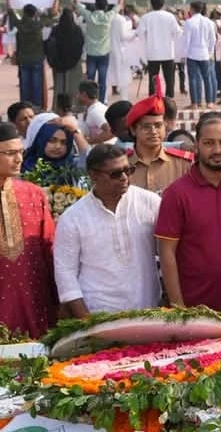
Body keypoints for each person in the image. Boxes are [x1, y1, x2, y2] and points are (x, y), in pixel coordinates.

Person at [54, 144, 161, 316]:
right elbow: (65, 273)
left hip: (148, 310)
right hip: (98, 314)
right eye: (116, 173)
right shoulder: (73, 218)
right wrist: (86, 323)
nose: (124, 177)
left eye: (128, 170)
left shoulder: (151, 203)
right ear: (93, 175)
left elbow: (168, 253)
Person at [155, 114, 221, 311]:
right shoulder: (177, 193)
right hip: (193, 306)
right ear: (196, 145)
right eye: (208, 143)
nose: (217, 150)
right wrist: (178, 306)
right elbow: (167, 252)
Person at [0, 122, 57, 338]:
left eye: (20, 152)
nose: (19, 159)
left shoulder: (33, 194)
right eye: (10, 153)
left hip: (33, 299)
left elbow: (49, 248)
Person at [126, 93, 194, 193]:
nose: (153, 131)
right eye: (146, 126)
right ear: (133, 130)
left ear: (165, 127)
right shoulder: (122, 164)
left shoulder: (184, 163)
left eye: (158, 125)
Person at [72, 0, 127, 98]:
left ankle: (89, 100)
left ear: (95, 6)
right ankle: (101, 101)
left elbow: (77, 3)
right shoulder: (108, 17)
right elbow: (119, 4)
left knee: (90, 80)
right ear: (106, 6)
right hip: (104, 53)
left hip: (91, 53)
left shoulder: (89, 16)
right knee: (102, 80)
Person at [6, 0, 59, 108]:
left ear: (24, 13)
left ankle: (25, 108)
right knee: (36, 87)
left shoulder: (19, 25)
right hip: (36, 60)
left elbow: (10, 12)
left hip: (23, 60)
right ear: (35, 14)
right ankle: (36, 109)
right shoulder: (38, 25)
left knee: (24, 87)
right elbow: (53, 13)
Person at [138, 0, 183, 99]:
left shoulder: (146, 17)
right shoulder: (170, 16)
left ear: (151, 4)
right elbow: (178, 32)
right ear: (163, 4)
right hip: (168, 53)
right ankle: (169, 101)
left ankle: (153, 102)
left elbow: (140, 33)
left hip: (152, 53)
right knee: (169, 80)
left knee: (153, 80)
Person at [46, 8, 85, 113]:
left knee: (59, 87)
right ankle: (74, 106)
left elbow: (49, 46)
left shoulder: (55, 30)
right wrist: (74, 59)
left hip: (58, 64)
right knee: (74, 86)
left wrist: (54, 61)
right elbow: (80, 45)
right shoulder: (77, 30)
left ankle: (58, 107)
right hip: (74, 63)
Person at [180, 1, 218, 111]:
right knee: (207, 78)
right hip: (205, 53)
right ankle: (209, 102)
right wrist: (210, 51)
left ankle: (195, 103)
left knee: (193, 78)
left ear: (192, 9)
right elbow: (213, 39)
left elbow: (186, 41)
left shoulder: (189, 22)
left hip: (192, 53)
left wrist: (184, 54)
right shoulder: (209, 22)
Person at [22, 121, 82, 186]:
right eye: (52, 141)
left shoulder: (73, 166)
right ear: (41, 141)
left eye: (63, 142)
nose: (58, 146)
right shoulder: (25, 166)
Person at [107, 5, 139, 102]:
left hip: (107, 52)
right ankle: (123, 100)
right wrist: (135, 34)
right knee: (123, 77)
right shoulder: (120, 19)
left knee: (106, 77)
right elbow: (124, 36)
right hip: (120, 51)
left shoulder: (105, 18)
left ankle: (104, 100)